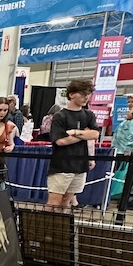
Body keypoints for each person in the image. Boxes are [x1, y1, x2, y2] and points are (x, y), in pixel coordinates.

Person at [46, 79, 100, 210]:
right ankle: (44, 228)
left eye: (88, 94)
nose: (86, 97)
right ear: (71, 94)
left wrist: (76, 133)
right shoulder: (60, 116)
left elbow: (95, 135)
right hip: (61, 165)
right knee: (54, 201)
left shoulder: (89, 115)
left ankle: (62, 228)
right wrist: (84, 134)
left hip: (80, 165)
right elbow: (61, 141)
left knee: (67, 201)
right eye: (82, 94)